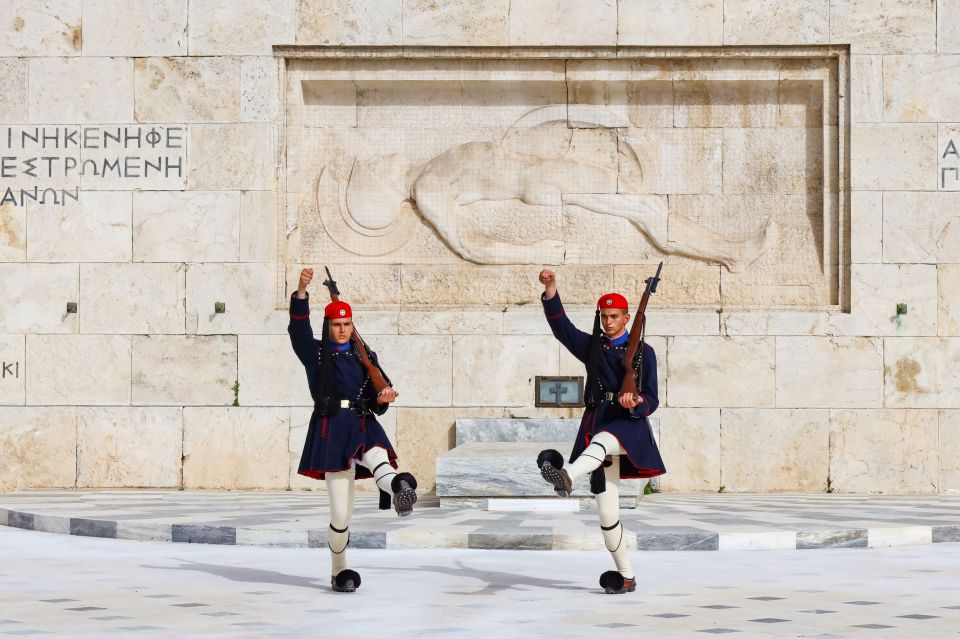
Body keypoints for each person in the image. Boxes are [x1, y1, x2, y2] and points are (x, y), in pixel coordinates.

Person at [536, 268, 665, 595]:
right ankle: (626, 576)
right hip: (598, 421)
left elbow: (652, 398)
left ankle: (566, 474)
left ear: (626, 319)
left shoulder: (644, 354)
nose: (608, 322)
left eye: (615, 317)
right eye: (604, 316)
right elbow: (562, 329)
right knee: (607, 514)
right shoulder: (594, 347)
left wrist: (635, 402)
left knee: (605, 441)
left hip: (628, 427)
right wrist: (551, 289)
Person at [288, 267, 417, 593]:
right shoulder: (316, 354)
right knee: (341, 514)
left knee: (379, 459)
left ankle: (399, 490)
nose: (343, 330)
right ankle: (339, 570)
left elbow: (377, 399)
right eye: (337, 325)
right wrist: (302, 292)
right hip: (333, 428)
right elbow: (298, 331)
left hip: (362, 422)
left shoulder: (364, 355)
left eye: (347, 325)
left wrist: (384, 397)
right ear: (329, 326)